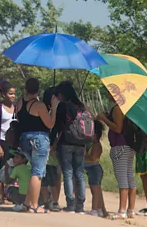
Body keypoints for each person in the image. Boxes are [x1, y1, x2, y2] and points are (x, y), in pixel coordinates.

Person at [16, 78, 57, 213]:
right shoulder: (39, 105)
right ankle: (34, 205)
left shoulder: (20, 103)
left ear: (25, 87)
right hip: (39, 138)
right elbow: (50, 124)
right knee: (38, 172)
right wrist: (54, 108)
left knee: (34, 169)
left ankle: (27, 203)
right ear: (38, 89)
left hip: (24, 138)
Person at [97, 91, 136, 219]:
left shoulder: (117, 108)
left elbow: (117, 128)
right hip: (128, 145)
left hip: (120, 146)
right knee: (129, 177)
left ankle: (122, 210)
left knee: (122, 178)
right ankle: (130, 209)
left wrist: (104, 119)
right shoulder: (126, 106)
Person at [52, 81, 87, 214]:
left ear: (61, 94)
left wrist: (51, 142)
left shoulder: (63, 106)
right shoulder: (82, 106)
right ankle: (81, 206)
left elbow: (56, 126)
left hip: (65, 143)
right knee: (79, 174)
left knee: (67, 173)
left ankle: (70, 205)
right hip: (81, 143)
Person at [0, 80, 17, 202]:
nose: (12, 96)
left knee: (13, 167)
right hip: (2, 141)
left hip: (13, 142)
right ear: (3, 95)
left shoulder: (16, 108)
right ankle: (0, 195)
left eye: (14, 94)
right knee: (2, 168)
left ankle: (10, 193)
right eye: (10, 93)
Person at [41, 87, 62, 212]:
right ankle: (54, 202)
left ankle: (47, 201)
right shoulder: (51, 113)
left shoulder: (40, 110)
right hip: (51, 151)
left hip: (46, 150)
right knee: (54, 178)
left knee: (48, 178)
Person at [84, 120, 108, 217]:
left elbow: (93, 157)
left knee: (96, 189)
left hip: (94, 168)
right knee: (96, 189)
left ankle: (94, 209)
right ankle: (100, 209)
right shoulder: (92, 144)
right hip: (91, 169)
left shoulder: (96, 145)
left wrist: (82, 156)